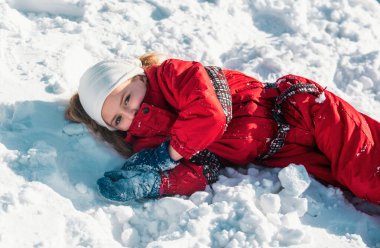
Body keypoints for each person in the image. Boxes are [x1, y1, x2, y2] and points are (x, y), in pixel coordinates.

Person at [65, 53, 380, 204]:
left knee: (366, 175)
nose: (130, 112)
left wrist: (169, 152)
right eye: (118, 119)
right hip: (284, 151)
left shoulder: (173, 75)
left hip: (301, 110)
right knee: (357, 186)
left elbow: (210, 115)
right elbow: (201, 171)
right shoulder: (147, 143)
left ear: (139, 77)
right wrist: (157, 182)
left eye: (126, 97)